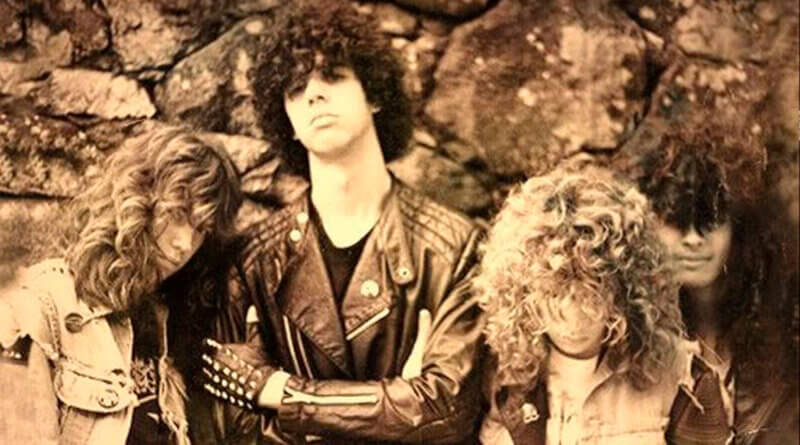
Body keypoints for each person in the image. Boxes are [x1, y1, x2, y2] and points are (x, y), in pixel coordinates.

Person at [195, 2, 485, 443]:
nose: (313, 94)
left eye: (332, 76)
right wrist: (397, 407)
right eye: (295, 88)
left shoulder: (457, 249)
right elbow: (230, 425)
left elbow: (447, 409)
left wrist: (281, 391)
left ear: (375, 95)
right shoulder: (252, 264)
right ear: (287, 123)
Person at [0, 127, 242, 445]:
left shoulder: (170, 326)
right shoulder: (38, 305)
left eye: (202, 230)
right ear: (136, 199)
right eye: (177, 214)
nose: (185, 244)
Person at [477, 162, 731, 445]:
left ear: (624, 288)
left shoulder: (682, 375)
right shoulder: (505, 379)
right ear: (522, 294)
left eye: (591, 295)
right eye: (552, 294)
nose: (572, 319)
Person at [637, 145, 800, 445]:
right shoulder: (633, 350)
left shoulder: (786, 341)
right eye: (676, 220)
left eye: (709, 220)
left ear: (739, 228)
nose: (693, 239)